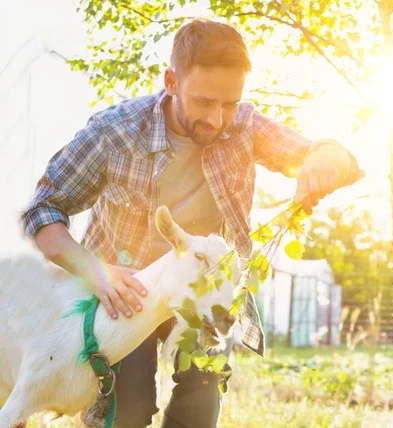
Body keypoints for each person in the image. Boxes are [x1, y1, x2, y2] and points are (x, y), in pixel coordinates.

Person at [21, 18, 363, 428]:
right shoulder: (116, 133)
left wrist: (324, 161)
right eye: (204, 102)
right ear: (171, 81)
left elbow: (321, 152)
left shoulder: (244, 125)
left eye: (229, 103)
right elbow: (43, 210)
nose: (218, 119)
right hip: (126, 297)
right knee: (127, 410)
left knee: (199, 409)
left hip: (203, 296)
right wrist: (97, 273)